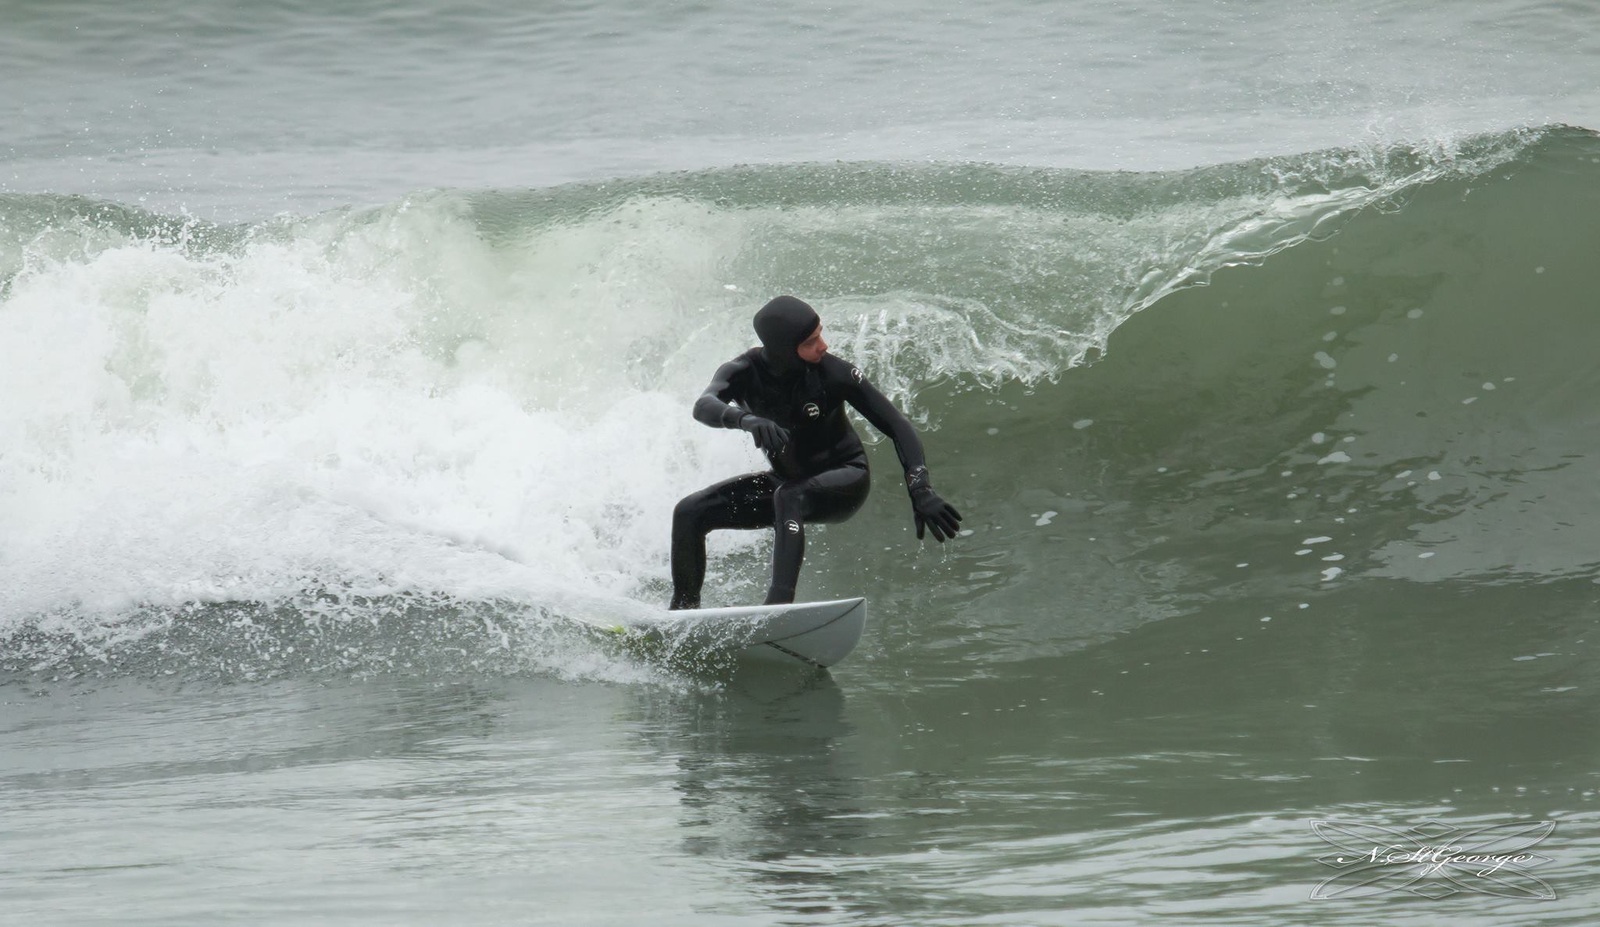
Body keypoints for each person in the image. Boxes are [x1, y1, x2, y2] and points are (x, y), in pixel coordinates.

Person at [670, 295, 962, 609]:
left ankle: (778, 607)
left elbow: (896, 425)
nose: (823, 346)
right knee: (690, 511)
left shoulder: (833, 373)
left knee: (789, 496)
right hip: (787, 481)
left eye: (821, 334)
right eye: (811, 341)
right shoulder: (743, 371)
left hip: (846, 479)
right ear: (784, 349)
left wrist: (920, 488)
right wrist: (745, 419)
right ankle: (683, 611)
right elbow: (704, 405)